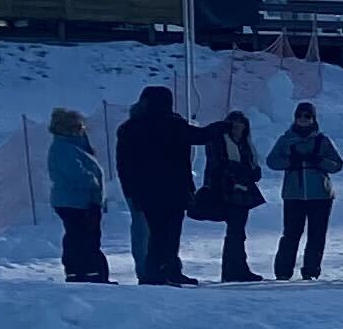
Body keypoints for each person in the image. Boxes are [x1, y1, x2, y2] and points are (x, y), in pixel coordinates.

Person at [113, 84, 212, 285]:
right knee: (168, 233)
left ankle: (162, 271)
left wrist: (130, 189)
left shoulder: (130, 127)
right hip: (174, 188)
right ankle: (161, 272)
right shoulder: (172, 124)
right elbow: (200, 136)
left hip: (146, 190)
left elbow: (123, 163)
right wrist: (221, 127)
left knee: (158, 232)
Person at [265, 100, 342, 281]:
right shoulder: (286, 140)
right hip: (294, 194)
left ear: (313, 118)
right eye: (299, 116)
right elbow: (271, 161)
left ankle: (311, 271)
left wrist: (320, 162)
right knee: (291, 234)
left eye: (307, 116)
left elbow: (338, 165)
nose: (303, 119)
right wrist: (291, 162)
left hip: (321, 195)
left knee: (317, 235)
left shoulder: (323, 141)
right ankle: (283, 272)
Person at [195, 108, 267, 282]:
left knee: (238, 232)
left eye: (240, 126)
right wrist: (243, 172)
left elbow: (253, 170)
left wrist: (247, 172)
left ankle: (238, 268)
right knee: (235, 232)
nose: (237, 130)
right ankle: (232, 270)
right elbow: (221, 166)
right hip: (224, 191)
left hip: (242, 192)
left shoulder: (246, 145)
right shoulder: (218, 143)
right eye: (234, 126)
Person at [45, 107, 111, 283]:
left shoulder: (75, 146)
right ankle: (84, 272)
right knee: (81, 237)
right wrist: (93, 183)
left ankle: (86, 271)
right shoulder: (63, 148)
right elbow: (76, 174)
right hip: (75, 202)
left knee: (82, 236)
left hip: (81, 201)